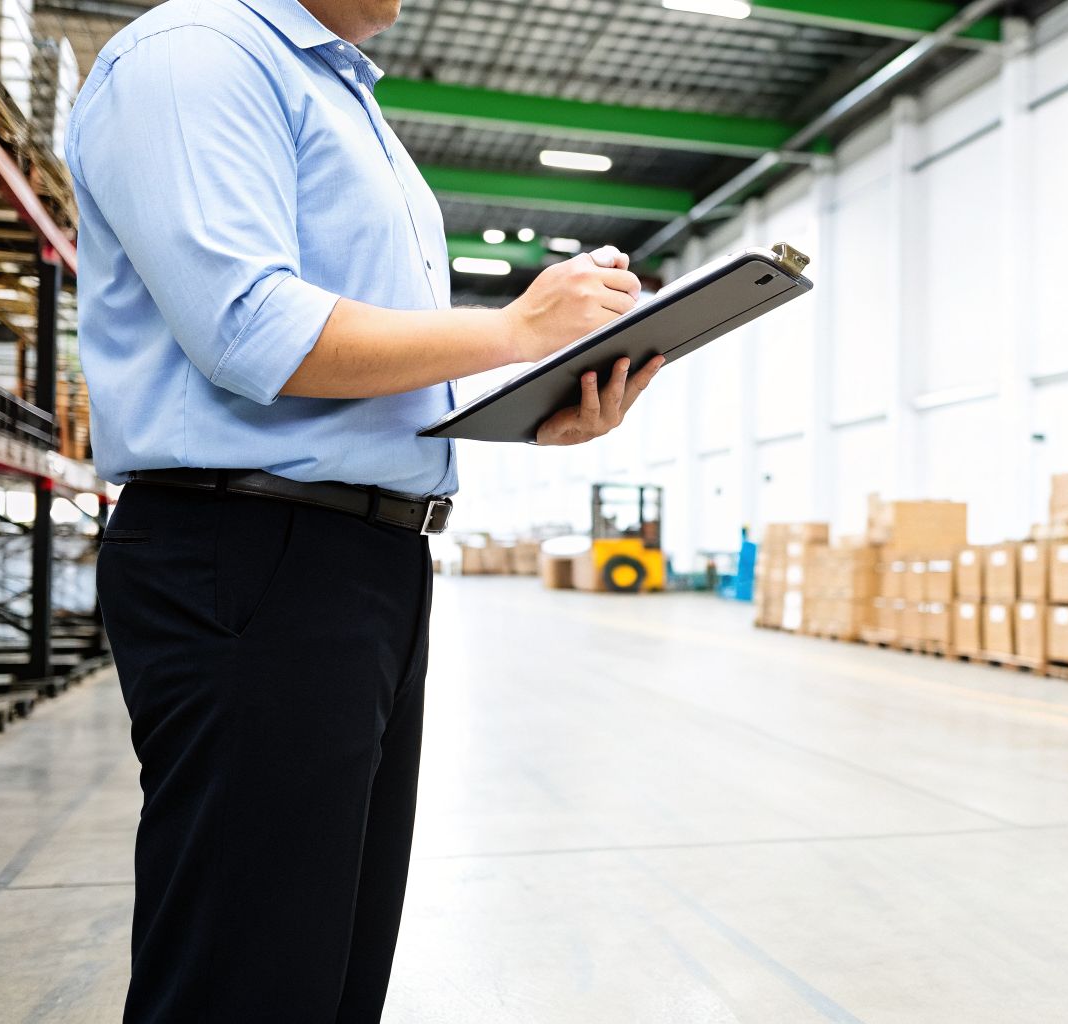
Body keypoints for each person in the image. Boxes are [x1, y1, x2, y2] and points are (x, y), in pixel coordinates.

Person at [66, 0, 661, 1017]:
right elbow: (252, 330)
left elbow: (370, 365)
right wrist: (516, 329)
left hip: (363, 558)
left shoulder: (343, 97)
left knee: (328, 968)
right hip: (253, 549)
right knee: (247, 973)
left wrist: (530, 416)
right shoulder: (197, 55)